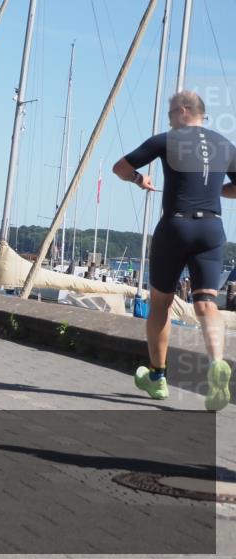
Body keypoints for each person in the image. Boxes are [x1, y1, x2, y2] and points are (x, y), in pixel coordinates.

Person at [113, 90, 236, 410]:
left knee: (161, 303)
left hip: (176, 226)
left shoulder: (167, 140)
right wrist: (219, 190)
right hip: (212, 228)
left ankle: (157, 376)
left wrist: (139, 179)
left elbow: (120, 168)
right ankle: (216, 365)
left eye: (170, 113)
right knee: (207, 302)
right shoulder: (225, 144)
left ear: (183, 111)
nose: (169, 118)